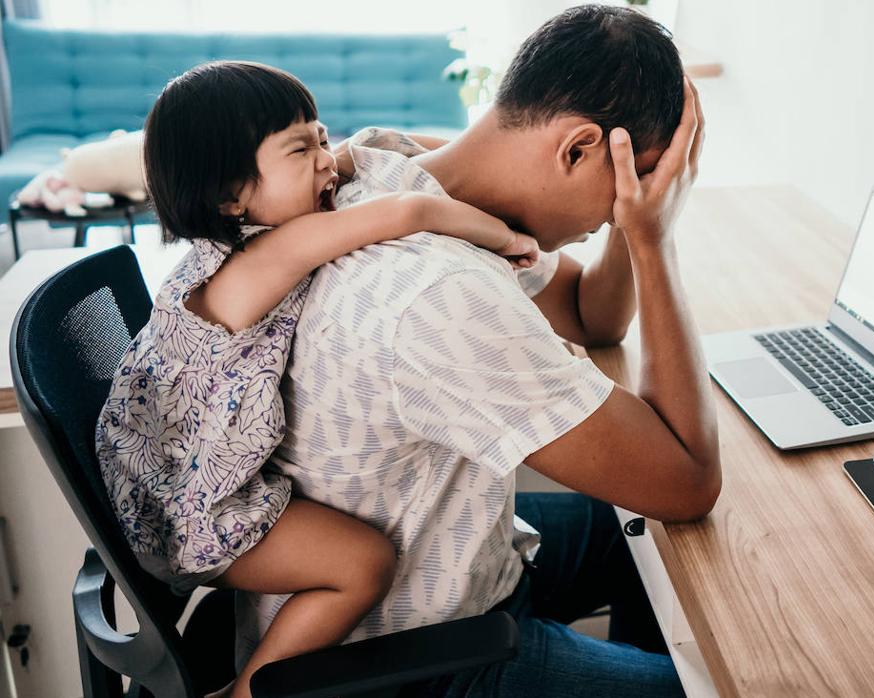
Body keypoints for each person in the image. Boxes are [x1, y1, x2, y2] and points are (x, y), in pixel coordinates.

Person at [239, 5, 716, 695]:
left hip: (445, 557)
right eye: (626, 184)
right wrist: (653, 238)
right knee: (715, 684)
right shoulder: (443, 293)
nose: (620, 210)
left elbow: (593, 316)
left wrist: (632, 211)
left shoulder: (386, 160)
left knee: (635, 537)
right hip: (403, 655)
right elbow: (688, 483)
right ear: (578, 149)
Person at [94, 61, 539, 698]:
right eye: (301, 149)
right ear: (230, 196)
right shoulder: (264, 256)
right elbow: (410, 210)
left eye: (322, 137)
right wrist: (506, 238)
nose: (327, 159)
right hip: (194, 514)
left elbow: (358, 157)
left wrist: (341, 156)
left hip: (174, 484)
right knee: (363, 563)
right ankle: (247, 692)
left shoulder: (243, 241)